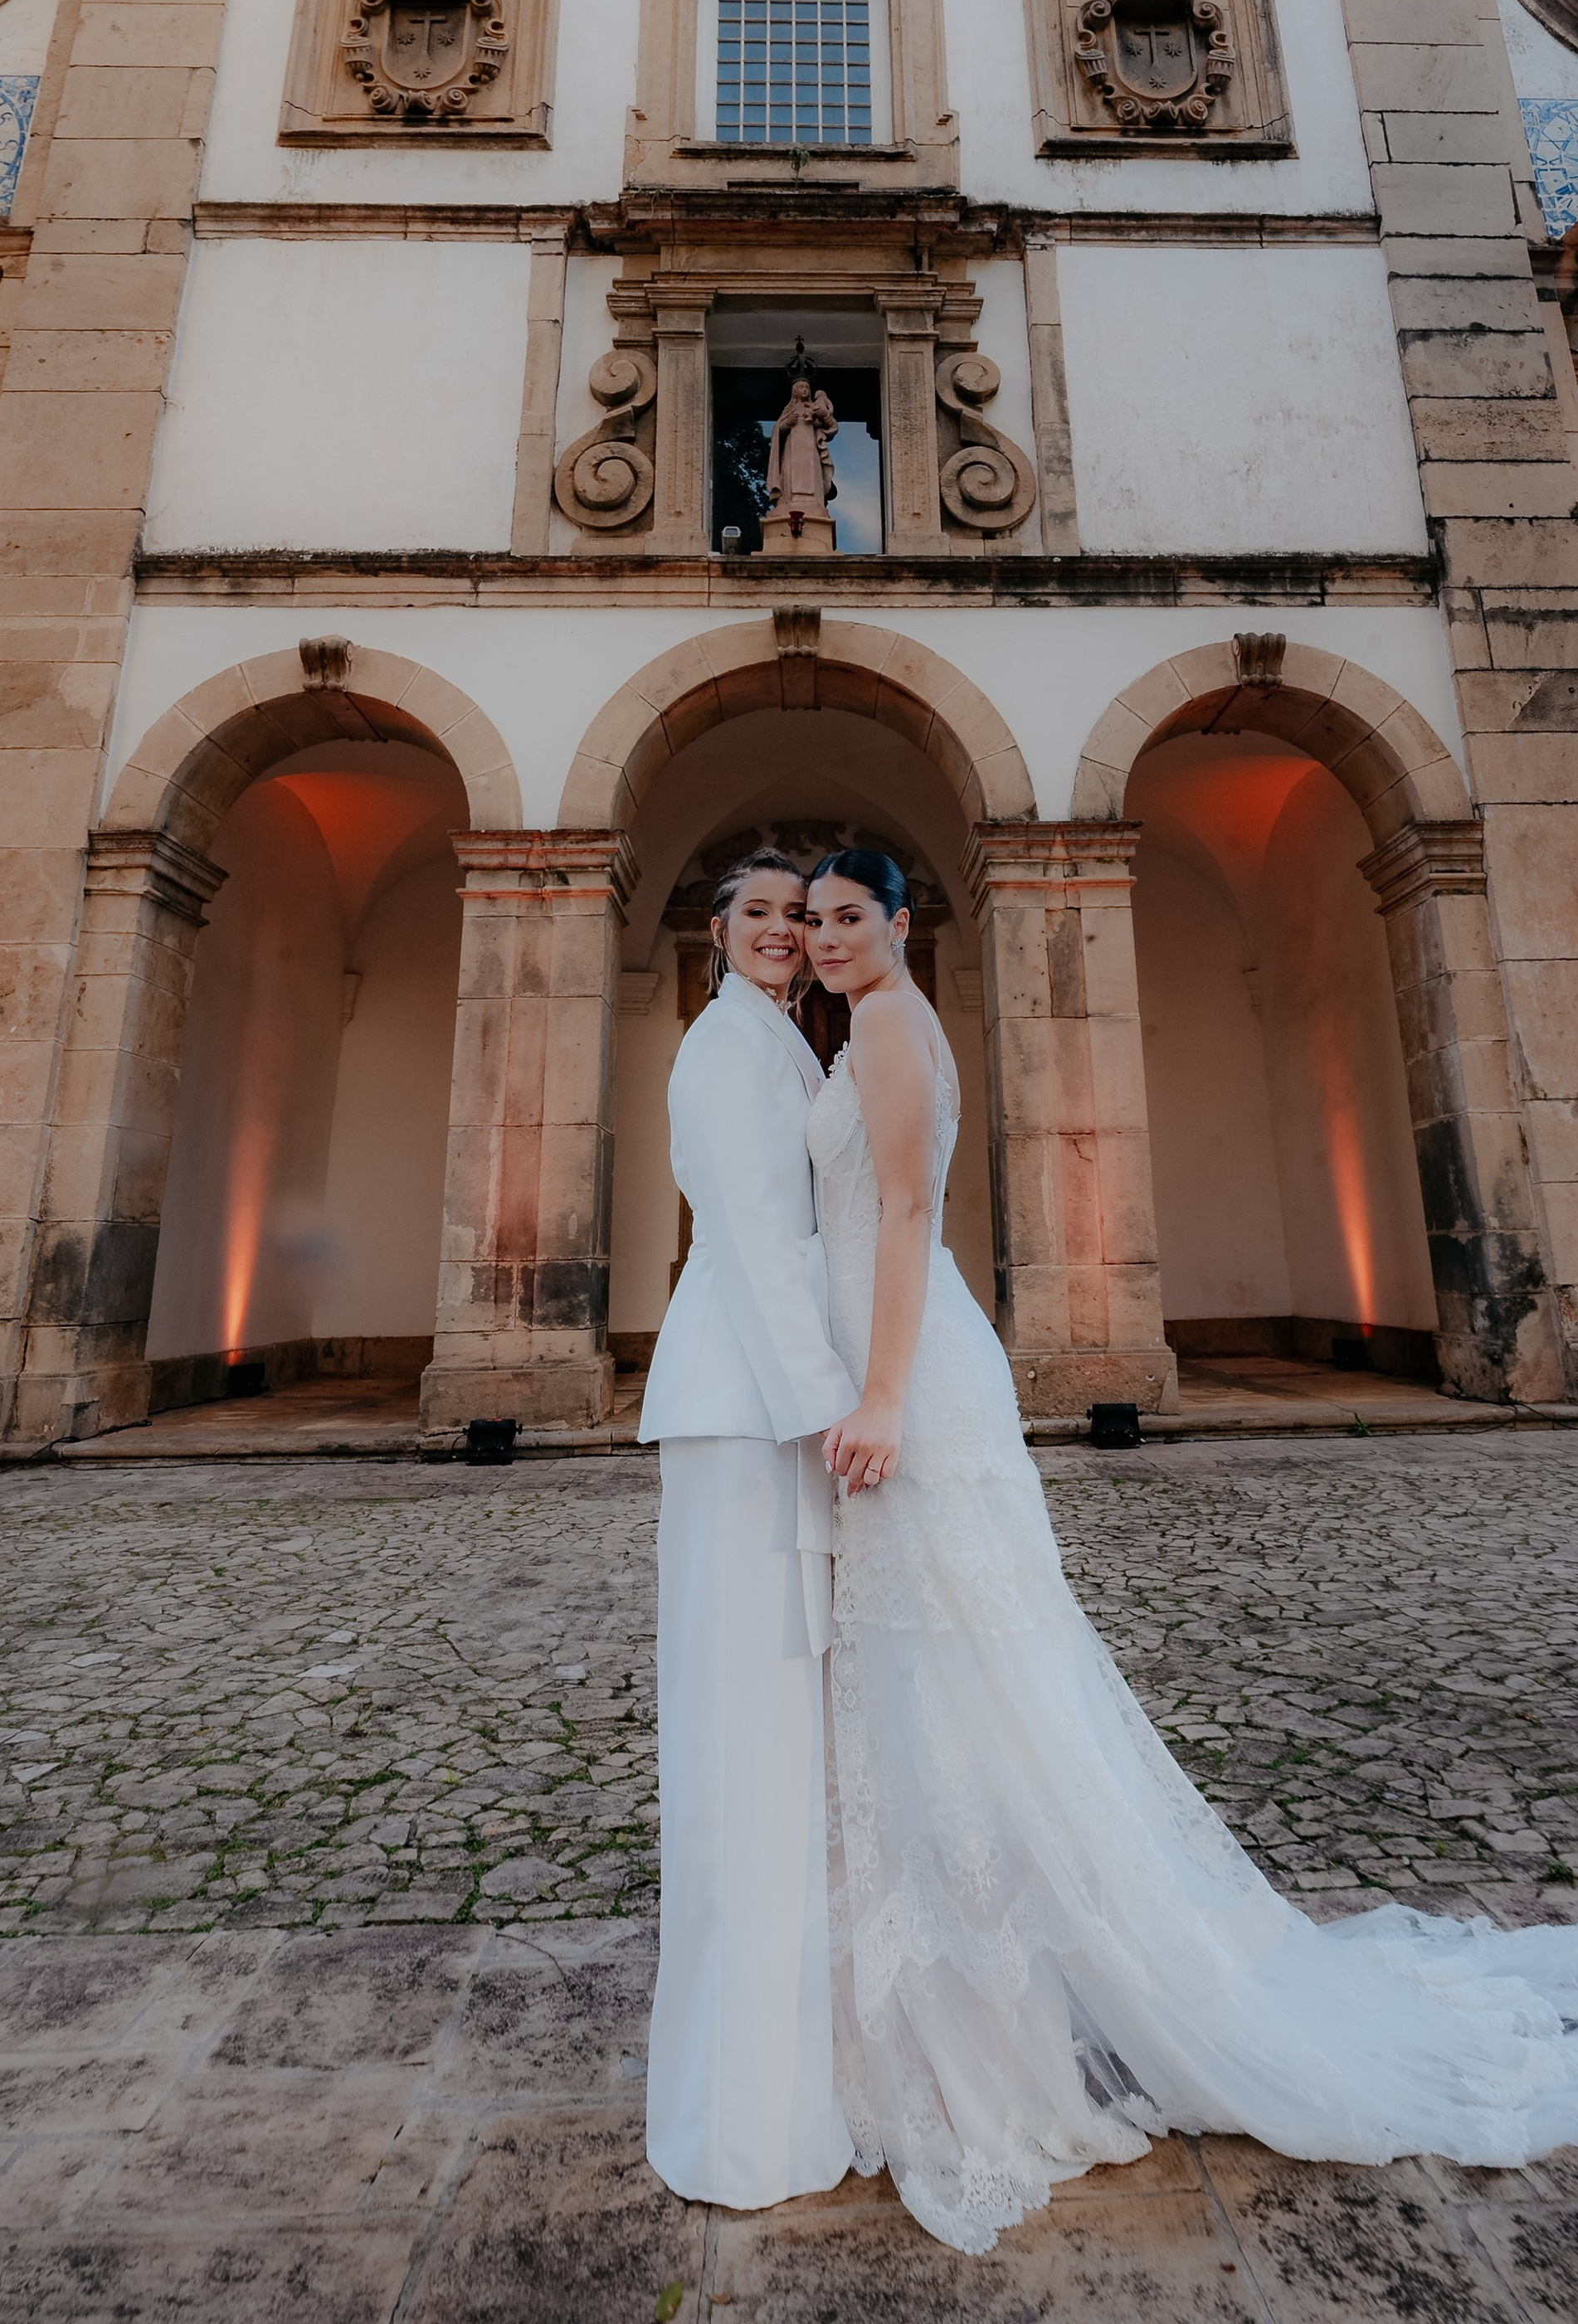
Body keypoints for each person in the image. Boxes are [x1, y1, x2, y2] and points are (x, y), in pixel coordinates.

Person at [801, 846, 1578, 2257]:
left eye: (849, 915)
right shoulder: (866, 1026)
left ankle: (994, 2004)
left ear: (900, 923)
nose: (825, 937)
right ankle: (976, 1983)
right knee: (955, 1678)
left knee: (964, 1668)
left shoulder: (889, 1027)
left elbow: (914, 1215)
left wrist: (878, 1393)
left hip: (911, 1375)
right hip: (899, 1361)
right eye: (810, 921)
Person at [639, 848, 860, 2214]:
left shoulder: (780, 1041)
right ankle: (739, 2122)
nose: (783, 931)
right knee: (742, 1742)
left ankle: (789, 2075)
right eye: (761, 914)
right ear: (716, 933)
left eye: (800, 914)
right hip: (748, 1412)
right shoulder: (724, 1051)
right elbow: (758, 1243)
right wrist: (832, 1415)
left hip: (772, 1403)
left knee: (781, 1746)